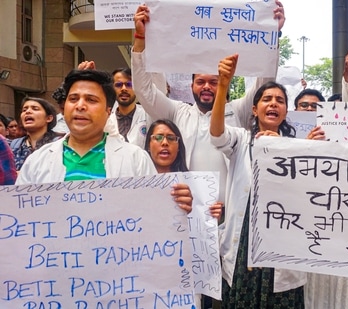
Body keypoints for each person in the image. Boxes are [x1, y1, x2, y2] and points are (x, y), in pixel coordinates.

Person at [131, 2, 285, 205]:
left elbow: (263, 84)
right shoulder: (177, 112)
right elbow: (144, 91)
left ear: (223, 82)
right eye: (200, 82)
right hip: (185, 210)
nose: (206, 87)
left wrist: (271, 35)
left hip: (229, 213)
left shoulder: (237, 110)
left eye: (213, 82)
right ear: (191, 85)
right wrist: (140, 40)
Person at [16, 69, 192, 213]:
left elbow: (156, 215)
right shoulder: (36, 162)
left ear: (109, 111)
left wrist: (175, 205)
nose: (80, 106)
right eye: (73, 99)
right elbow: (20, 220)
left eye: (91, 100)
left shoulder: (136, 159)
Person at [210, 54, 305, 308]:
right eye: (267, 99)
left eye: (280, 101)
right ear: (255, 109)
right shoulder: (240, 140)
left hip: (282, 243)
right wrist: (222, 86)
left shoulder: (297, 149)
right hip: (243, 245)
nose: (273, 104)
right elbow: (217, 133)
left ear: (285, 111)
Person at [10, 97, 63, 170]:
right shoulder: (14, 144)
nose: (27, 111)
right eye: (24, 110)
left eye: (35, 109)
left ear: (49, 118)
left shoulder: (60, 143)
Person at [109, 67, 151, 148]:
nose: (124, 89)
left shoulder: (148, 115)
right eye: (118, 85)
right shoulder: (106, 119)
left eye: (129, 84)